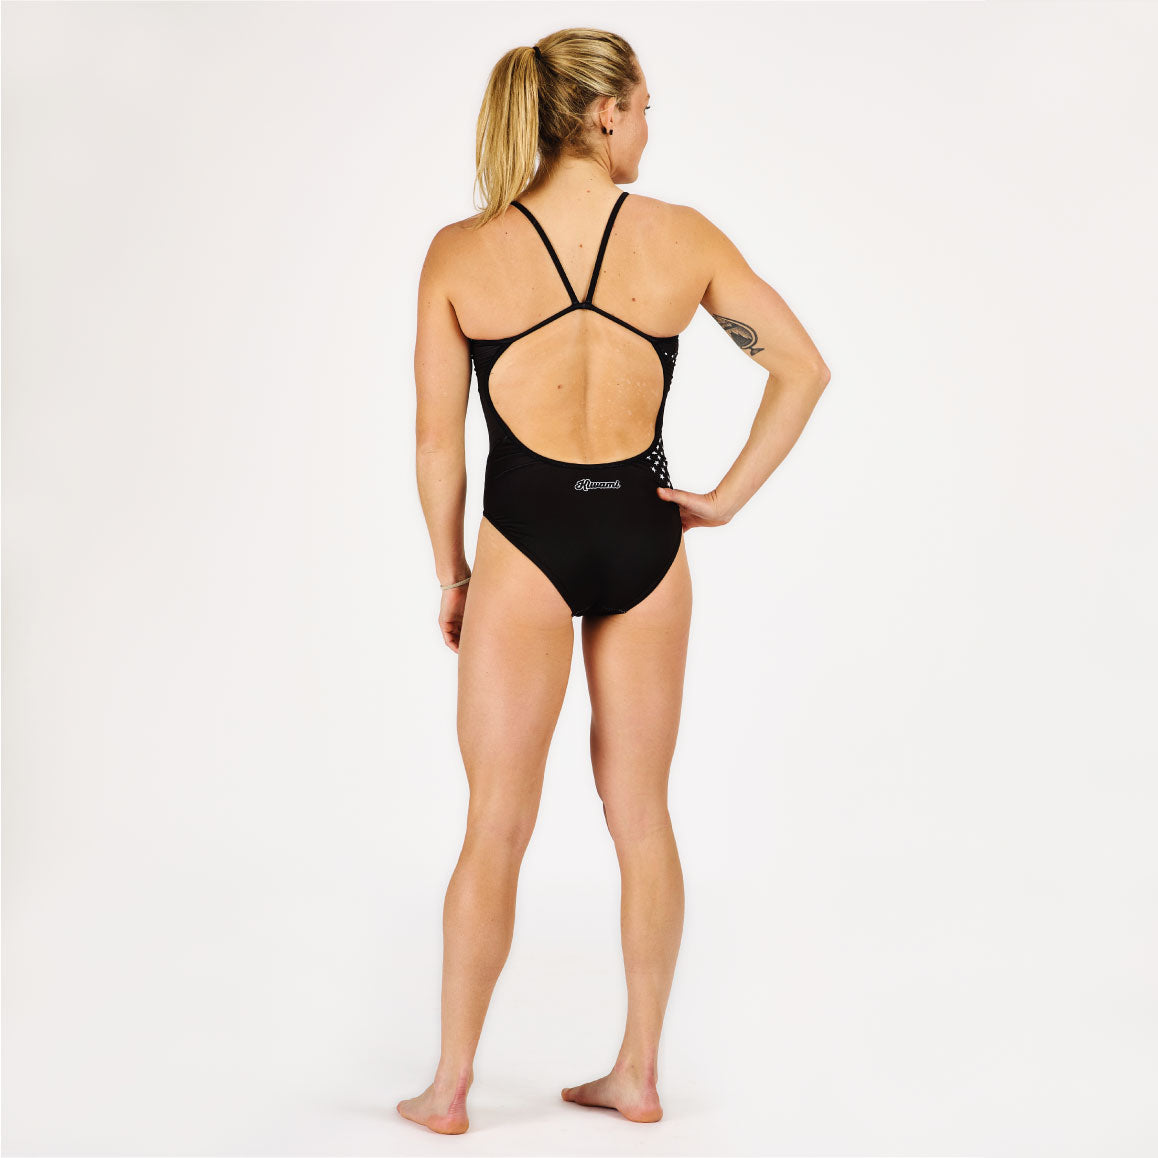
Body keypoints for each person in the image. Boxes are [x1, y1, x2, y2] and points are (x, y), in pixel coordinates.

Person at [402, 27, 830, 1135]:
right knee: (642, 815)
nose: (648, 128)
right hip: (646, 545)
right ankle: (637, 1074)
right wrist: (722, 499)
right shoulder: (681, 239)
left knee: (496, 821)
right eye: (643, 108)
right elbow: (801, 366)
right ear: (603, 114)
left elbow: (439, 444)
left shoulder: (462, 252)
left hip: (524, 548)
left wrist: (452, 571)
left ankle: (449, 1090)